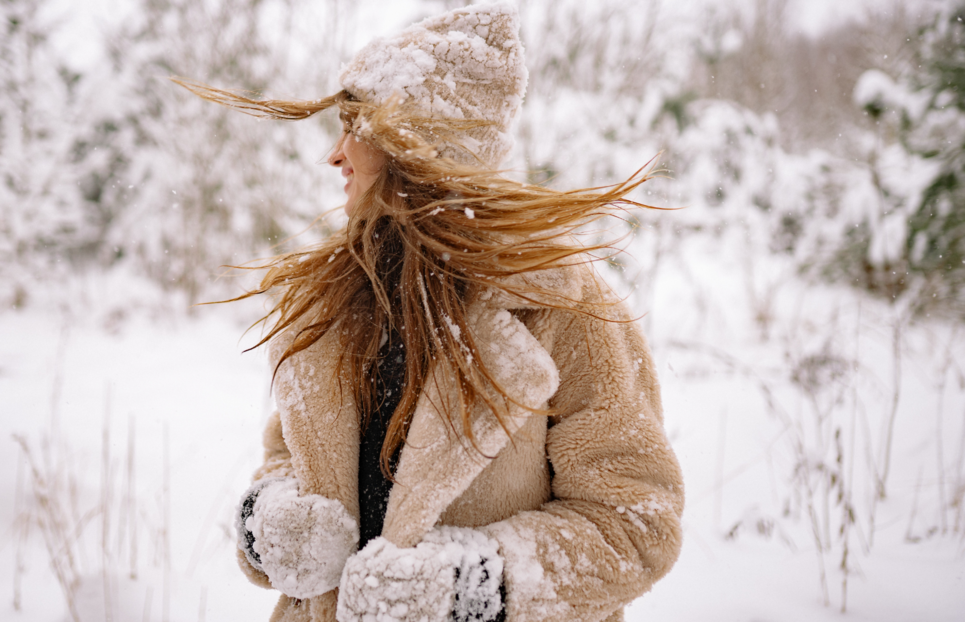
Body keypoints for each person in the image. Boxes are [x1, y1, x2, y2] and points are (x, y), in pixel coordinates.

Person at [177, 2, 683, 621]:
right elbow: (287, 457)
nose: (335, 155)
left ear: (420, 148)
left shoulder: (564, 309)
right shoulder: (336, 303)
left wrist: (469, 588)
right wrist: (271, 522)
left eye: (354, 129)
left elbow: (635, 522)